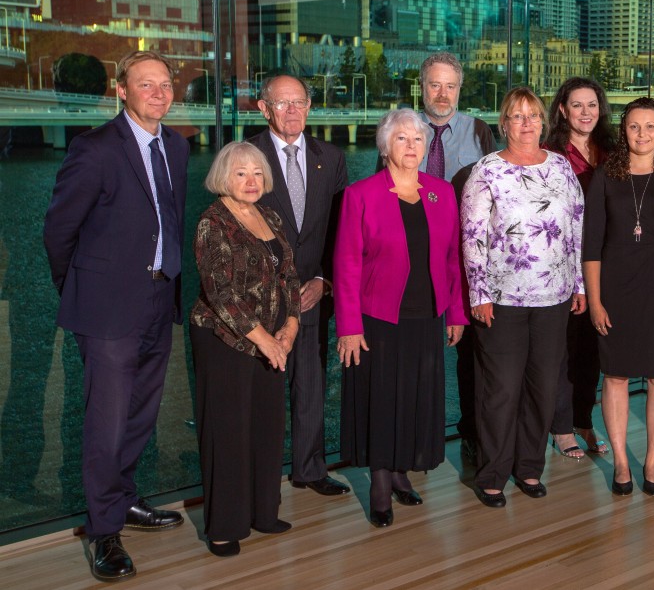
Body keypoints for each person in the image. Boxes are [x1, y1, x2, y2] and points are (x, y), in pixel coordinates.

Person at [43, 51, 189, 581]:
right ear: (121, 92)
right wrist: (82, 289)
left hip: (158, 298)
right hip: (107, 309)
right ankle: (104, 533)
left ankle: (123, 499)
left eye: (165, 84)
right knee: (104, 425)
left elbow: (167, 222)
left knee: (140, 416)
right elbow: (59, 232)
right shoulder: (95, 149)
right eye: (144, 84)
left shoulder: (176, 145)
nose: (158, 93)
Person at [335, 109, 466, 527]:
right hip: (377, 318)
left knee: (414, 396)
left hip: (427, 315)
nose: (411, 147)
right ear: (385, 146)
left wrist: (456, 312)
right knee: (381, 397)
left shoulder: (441, 192)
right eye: (401, 139)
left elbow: (452, 259)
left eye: (416, 139)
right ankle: (378, 479)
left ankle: (400, 471)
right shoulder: (362, 194)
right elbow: (347, 265)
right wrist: (349, 326)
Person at [461, 87, 586, 507]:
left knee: (542, 388)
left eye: (533, 115)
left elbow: (575, 230)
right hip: (502, 299)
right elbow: (473, 238)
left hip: (554, 297)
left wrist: (579, 285)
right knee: (500, 389)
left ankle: (529, 468)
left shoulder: (562, 168)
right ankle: (492, 473)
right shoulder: (486, 172)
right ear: (504, 123)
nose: (527, 123)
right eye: (517, 116)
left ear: (543, 121)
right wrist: (479, 292)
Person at [190, 142, 300, 557]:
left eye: (257, 172)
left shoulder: (269, 215)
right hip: (226, 340)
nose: (251, 181)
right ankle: (224, 526)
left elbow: (290, 275)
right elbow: (221, 293)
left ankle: (263, 512)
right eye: (241, 173)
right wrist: (267, 340)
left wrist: (289, 328)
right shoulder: (212, 221)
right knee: (228, 433)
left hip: (274, 340)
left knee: (268, 426)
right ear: (224, 177)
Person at [584, 97, 654, 497]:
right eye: (634, 127)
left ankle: (650, 462)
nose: (642, 134)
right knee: (614, 375)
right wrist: (595, 302)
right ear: (624, 130)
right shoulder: (604, 177)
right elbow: (591, 246)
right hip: (614, 292)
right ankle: (619, 461)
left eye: (650, 127)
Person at [248, 75, 351, 497]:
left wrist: (325, 280)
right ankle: (261, 476)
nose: (292, 111)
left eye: (300, 103)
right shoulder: (245, 155)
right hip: (261, 299)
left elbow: (342, 229)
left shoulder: (331, 156)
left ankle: (310, 469)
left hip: (312, 294)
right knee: (264, 394)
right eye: (283, 103)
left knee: (310, 386)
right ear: (263, 108)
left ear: (309, 106)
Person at [414, 51, 497, 466]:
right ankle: (418, 439)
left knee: (473, 353)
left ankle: (472, 434)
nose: (442, 94)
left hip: (467, 260)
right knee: (419, 353)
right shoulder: (402, 129)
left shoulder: (480, 131)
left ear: (459, 89)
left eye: (450, 86)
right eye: (435, 85)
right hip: (415, 260)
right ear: (421, 86)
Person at [543, 77, 615, 460]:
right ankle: (561, 426)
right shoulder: (550, 153)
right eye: (577, 105)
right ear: (562, 110)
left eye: (592, 104)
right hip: (564, 265)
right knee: (564, 348)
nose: (585, 112)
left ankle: (584, 419)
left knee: (594, 348)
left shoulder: (614, 150)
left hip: (606, 264)